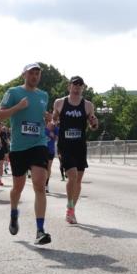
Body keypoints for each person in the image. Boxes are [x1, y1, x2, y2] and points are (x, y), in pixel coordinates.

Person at [0, 62, 51, 244]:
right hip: (19, 147)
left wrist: (48, 119)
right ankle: (13, 213)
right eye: (32, 73)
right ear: (24, 75)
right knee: (17, 187)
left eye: (37, 73)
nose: (35, 76)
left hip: (39, 143)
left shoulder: (43, 95)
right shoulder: (13, 92)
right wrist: (17, 107)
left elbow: (42, 117)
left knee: (39, 185)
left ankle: (40, 230)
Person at [52, 76, 98, 224]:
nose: (77, 87)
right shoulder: (60, 103)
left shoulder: (88, 105)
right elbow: (54, 119)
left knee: (78, 180)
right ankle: (69, 207)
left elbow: (93, 125)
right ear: (69, 86)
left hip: (80, 146)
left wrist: (94, 123)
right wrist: (52, 123)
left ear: (83, 87)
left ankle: (71, 209)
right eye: (75, 84)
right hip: (65, 145)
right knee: (72, 176)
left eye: (80, 85)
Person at [44, 112, 58, 194]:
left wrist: (52, 134)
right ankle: (41, 183)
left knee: (48, 168)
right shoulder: (41, 125)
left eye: (49, 115)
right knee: (42, 168)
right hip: (41, 150)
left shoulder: (54, 127)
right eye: (46, 116)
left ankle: (46, 184)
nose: (48, 117)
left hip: (50, 150)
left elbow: (56, 138)